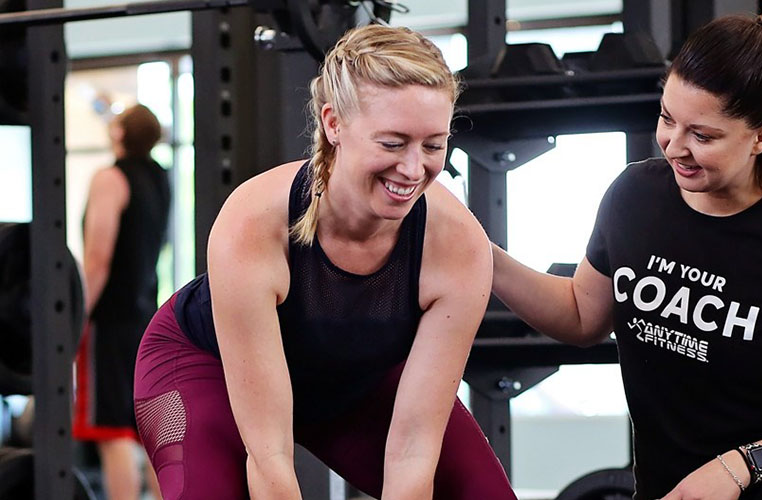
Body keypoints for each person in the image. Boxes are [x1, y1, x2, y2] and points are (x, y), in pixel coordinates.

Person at [492, 8, 762, 500]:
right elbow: (581, 315)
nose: (674, 146)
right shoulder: (635, 196)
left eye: (703, 135)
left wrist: (737, 467)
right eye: (667, 119)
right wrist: (483, 258)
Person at [133, 24, 517, 500]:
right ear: (334, 124)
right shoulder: (254, 222)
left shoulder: (456, 245)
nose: (415, 169)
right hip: (204, 366)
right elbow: (269, 455)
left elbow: (413, 451)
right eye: (393, 143)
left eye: (434, 145)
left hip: (352, 381)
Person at [74, 103, 171, 500]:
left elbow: (98, 257)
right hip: (148, 317)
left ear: (118, 135)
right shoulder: (160, 178)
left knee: (113, 434)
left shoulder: (110, 178)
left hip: (110, 321)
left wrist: (75, 316)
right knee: (146, 431)